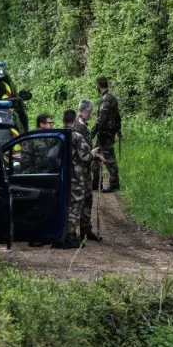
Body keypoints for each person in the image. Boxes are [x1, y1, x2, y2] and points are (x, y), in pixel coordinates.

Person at [54, 108, 102, 249]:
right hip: (77, 177)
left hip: (63, 176)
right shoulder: (76, 136)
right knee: (75, 207)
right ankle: (70, 237)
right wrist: (93, 154)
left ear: (63, 120)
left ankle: (62, 235)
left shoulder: (58, 135)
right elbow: (84, 157)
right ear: (75, 120)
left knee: (65, 205)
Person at [73, 100, 102, 242]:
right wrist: (94, 154)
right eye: (90, 111)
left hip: (84, 166)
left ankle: (85, 228)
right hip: (81, 169)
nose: (90, 114)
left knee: (87, 197)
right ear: (87, 110)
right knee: (82, 197)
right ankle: (79, 230)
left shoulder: (80, 124)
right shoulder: (80, 127)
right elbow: (82, 151)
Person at [92, 76, 122, 192]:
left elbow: (101, 119)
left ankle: (114, 184)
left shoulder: (106, 99)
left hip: (105, 133)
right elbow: (118, 117)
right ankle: (95, 183)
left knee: (109, 158)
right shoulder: (113, 98)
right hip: (108, 132)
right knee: (94, 155)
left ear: (98, 85)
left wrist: (92, 132)